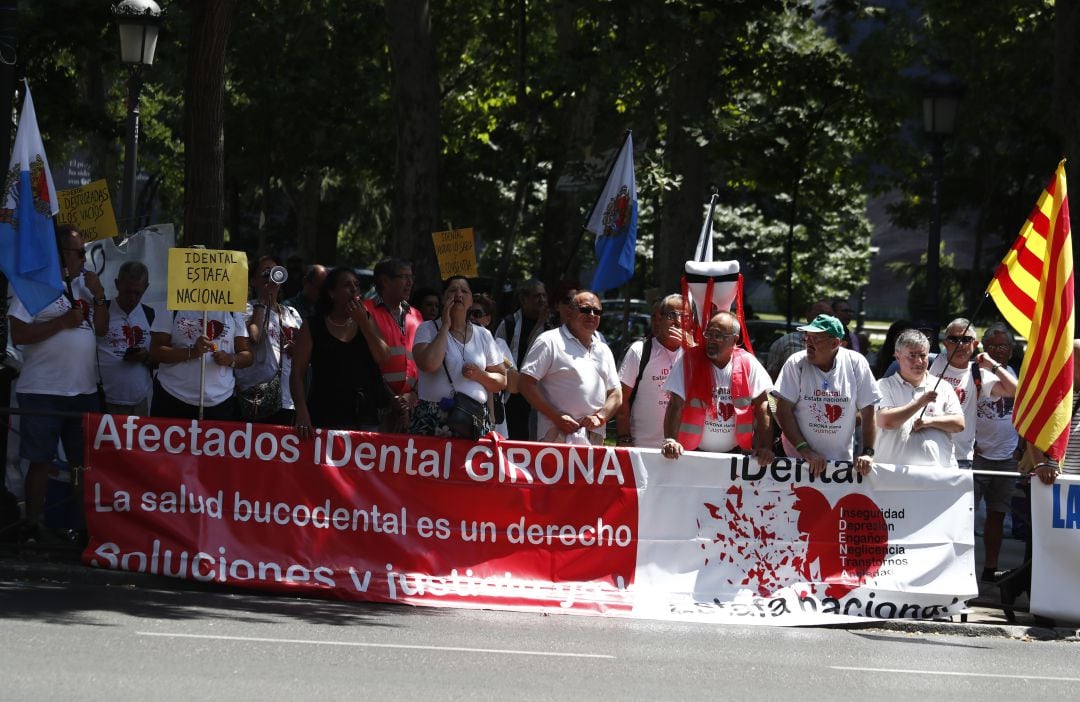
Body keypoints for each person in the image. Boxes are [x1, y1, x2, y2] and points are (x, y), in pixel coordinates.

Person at [8, 225, 109, 542]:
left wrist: (100, 295)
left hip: (83, 391)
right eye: (78, 252)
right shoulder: (34, 285)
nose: (83, 258)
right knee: (40, 461)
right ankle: (32, 526)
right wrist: (63, 323)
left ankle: (81, 529)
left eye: (85, 252)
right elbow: (19, 334)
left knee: (83, 465)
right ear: (61, 254)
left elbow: (102, 330)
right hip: (43, 391)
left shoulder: (82, 286)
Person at [772, 313, 881, 476]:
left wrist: (867, 452)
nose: (808, 343)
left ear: (835, 343)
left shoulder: (856, 363)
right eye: (807, 337)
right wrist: (805, 450)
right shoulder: (796, 363)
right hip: (796, 461)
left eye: (815, 339)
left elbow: (868, 411)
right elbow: (782, 410)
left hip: (839, 465)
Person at [661, 310, 773, 463]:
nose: (711, 340)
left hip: (736, 456)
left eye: (718, 335)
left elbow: (765, 404)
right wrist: (670, 440)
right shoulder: (689, 361)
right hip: (691, 455)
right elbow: (675, 403)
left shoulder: (748, 363)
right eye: (709, 334)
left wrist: (765, 447)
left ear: (734, 339)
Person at [291, 267, 391, 435]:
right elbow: (296, 374)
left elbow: (383, 357)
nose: (354, 289)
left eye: (357, 285)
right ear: (332, 293)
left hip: (364, 418)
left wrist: (364, 323)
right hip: (324, 415)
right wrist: (301, 412)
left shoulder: (366, 320)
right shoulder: (312, 326)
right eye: (347, 285)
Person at [519, 291, 621, 445]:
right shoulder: (549, 341)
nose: (592, 314)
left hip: (593, 437)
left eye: (597, 311)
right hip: (556, 435)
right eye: (585, 309)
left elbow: (616, 393)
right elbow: (525, 384)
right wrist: (556, 417)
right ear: (569, 313)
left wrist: (600, 417)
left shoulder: (603, 349)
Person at [411, 277, 506, 437]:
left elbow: (502, 381)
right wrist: (446, 326)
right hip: (432, 419)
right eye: (453, 290)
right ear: (443, 298)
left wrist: (479, 375)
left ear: (470, 301)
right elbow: (429, 364)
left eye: (464, 291)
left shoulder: (483, 334)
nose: (458, 294)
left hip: (471, 418)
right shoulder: (427, 329)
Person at [973, 322, 1023, 580]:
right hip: (977, 455)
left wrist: (1020, 449)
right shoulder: (975, 372)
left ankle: (990, 568)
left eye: (1002, 345)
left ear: (1011, 350)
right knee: (965, 514)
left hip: (1007, 457)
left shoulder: (1016, 373)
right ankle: (963, 568)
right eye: (991, 346)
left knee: (997, 514)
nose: (997, 350)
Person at [876, 329, 964, 469]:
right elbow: (886, 421)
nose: (918, 361)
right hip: (892, 475)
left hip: (938, 474)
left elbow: (959, 423)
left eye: (923, 355)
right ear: (897, 357)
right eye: (912, 355)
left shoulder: (943, 386)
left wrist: (929, 422)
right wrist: (919, 403)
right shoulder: (883, 386)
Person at [149, 305, 253, 421]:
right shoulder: (173, 304)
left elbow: (247, 356)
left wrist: (230, 359)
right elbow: (155, 351)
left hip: (220, 402)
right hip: (172, 398)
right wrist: (192, 352)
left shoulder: (233, 311)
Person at [238, 255, 304, 426]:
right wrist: (262, 302)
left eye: (275, 272)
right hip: (256, 397)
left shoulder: (291, 313)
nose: (271, 278)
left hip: (287, 398)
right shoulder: (246, 309)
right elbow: (255, 337)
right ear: (253, 281)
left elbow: (305, 351)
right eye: (266, 273)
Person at [615, 294, 687, 449]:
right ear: (659, 319)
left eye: (684, 316)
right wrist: (624, 438)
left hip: (683, 449)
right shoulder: (639, 351)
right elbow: (621, 399)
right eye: (671, 315)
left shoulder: (694, 354)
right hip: (642, 447)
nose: (678, 322)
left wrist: (692, 350)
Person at [363, 258, 424, 432]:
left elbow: (421, 361)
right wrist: (392, 399)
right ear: (384, 281)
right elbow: (365, 363)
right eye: (404, 277)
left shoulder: (416, 315)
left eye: (411, 277)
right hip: (375, 407)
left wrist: (411, 395)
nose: (410, 282)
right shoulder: (365, 311)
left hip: (410, 406)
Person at [96, 260, 155, 416]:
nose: (133, 298)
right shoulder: (102, 311)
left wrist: (146, 357)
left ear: (146, 287)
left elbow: (158, 359)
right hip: (104, 400)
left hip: (140, 401)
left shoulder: (151, 315)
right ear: (117, 284)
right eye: (128, 292)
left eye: (138, 293)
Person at [495, 278, 551, 439]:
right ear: (523, 299)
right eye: (537, 296)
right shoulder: (509, 324)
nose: (542, 300)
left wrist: (541, 324)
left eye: (544, 296)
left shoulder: (550, 327)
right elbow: (496, 353)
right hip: (512, 396)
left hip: (540, 394)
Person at [471, 293, 515, 437]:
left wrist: (495, 355)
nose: (472, 318)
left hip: (496, 426)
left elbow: (515, 386)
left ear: (488, 319)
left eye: (477, 314)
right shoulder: (456, 345)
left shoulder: (499, 344)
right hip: (466, 419)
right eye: (468, 314)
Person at [766, 299, 833, 378]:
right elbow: (771, 377)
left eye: (829, 315)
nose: (824, 318)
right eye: (820, 314)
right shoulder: (785, 342)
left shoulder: (836, 346)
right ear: (808, 315)